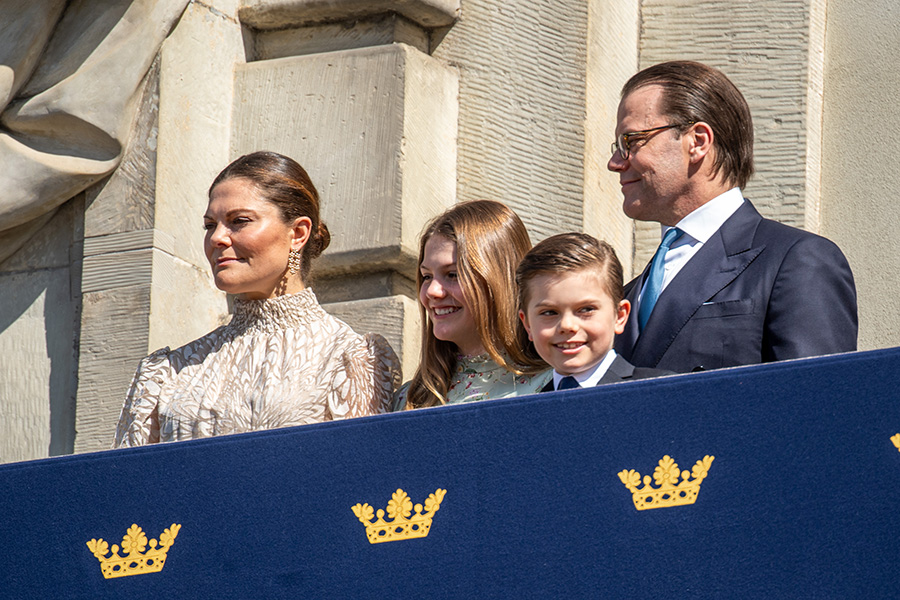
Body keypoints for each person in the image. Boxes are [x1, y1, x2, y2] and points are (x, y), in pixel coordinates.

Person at [113, 151, 400, 446]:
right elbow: (128, 485)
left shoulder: (351, 358)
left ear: (298, 233)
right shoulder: (167, 371)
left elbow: (359, 483)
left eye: (239, 221)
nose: (216, 238)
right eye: (210, 225)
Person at [607, 60, 857, 373]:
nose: (615, 162)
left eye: (630, 141)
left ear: (697, 142)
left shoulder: (796, 261)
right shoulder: (628, 294)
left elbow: (815, 408)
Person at [393, 200, 551, 410]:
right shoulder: (408, 400)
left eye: (453, 274)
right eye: (427, 276)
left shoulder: (556, 384)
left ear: (499, 279)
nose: (431, 291)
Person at [517, 233, 672, 391]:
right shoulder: (525, 411)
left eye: (586, 309)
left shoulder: (663, 392)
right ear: (528, 324)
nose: (567, 325)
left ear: (619, 316)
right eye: (549, 312)